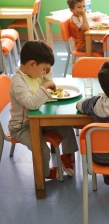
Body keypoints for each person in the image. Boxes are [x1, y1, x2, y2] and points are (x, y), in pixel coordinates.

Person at [8, 40, 78, 180]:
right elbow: (32, 104)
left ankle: (67, 156)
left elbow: (43, 81)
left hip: (39, 121)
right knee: (42, 150)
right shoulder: (18, 82)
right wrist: (45, 87)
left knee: (66, 127)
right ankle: (45, 173)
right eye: (44, 69)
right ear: (32, 64)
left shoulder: (33, 74)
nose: (44, 73)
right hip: (22, 127)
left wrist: (46, 75)